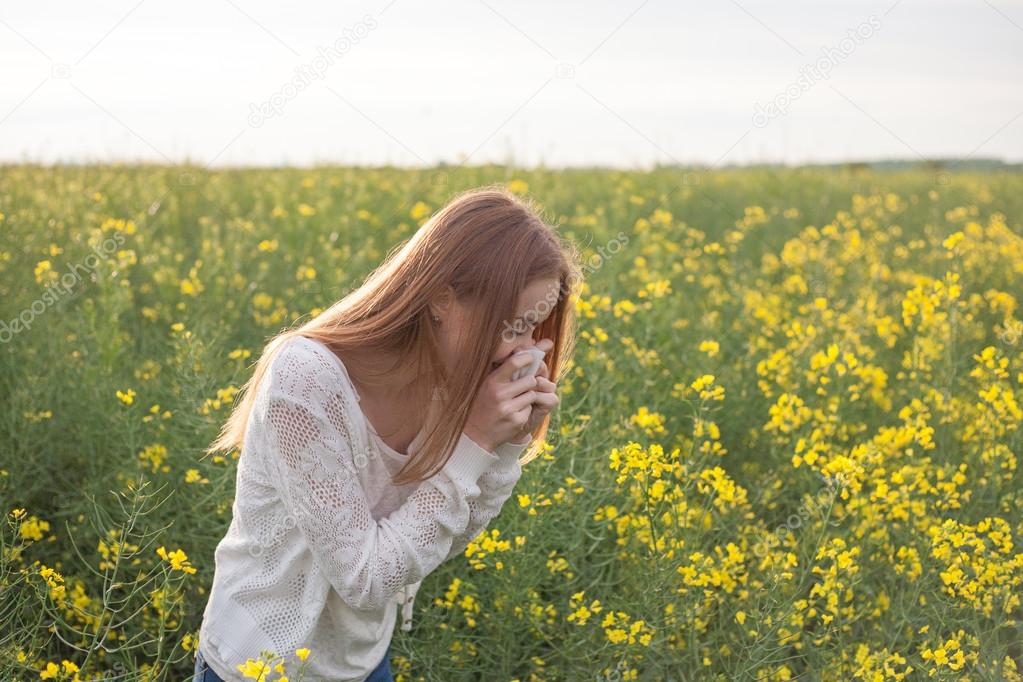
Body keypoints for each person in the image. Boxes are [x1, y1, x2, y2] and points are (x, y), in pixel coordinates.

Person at [194, 185, 582, 681]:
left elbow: (442, 539)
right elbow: (367, 579)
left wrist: (504, 447)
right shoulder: (307, 380)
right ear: (441, 298)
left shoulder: (458, 382)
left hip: (363, 663)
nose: (523, 351)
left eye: (535, 329)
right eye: (511, 326)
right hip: (257, 668)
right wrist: (478, 443)